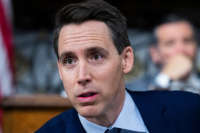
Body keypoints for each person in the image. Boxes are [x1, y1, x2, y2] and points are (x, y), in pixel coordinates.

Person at [36, 1, 200, 133]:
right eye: (69, 61)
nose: (82, 76)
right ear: (60, 70)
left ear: (126, 60)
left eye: (96, 56)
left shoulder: (191, 111)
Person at [127, 14, 200, 94]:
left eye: (187, 41)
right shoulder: (133, 89)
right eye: (170, 43)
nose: (181, 49)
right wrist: (164, 79)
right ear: (155, 54)